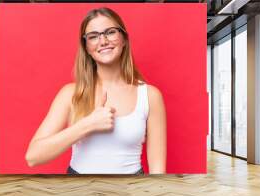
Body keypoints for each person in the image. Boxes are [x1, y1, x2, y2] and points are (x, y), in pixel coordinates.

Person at [25, 7, 166, 174]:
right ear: (86, 48)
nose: (103, 41)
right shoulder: (70, 94)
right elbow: (33, 157)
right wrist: (87, 124)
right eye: (93, 36)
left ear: (124, 39)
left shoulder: (150, 95)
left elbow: (158, 169)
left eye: (110, 32)